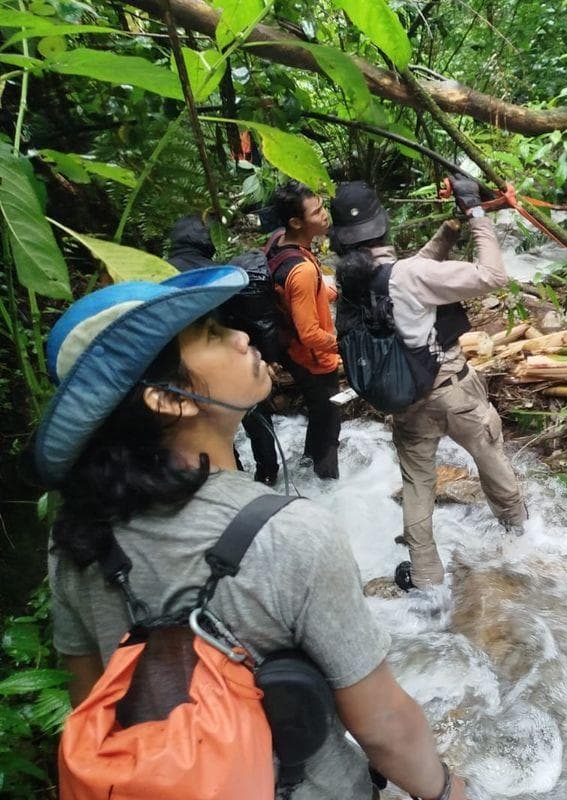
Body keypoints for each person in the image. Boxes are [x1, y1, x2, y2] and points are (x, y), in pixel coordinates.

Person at [35, 266, 467, 800]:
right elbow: (382, 725)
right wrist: (448, 790)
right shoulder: (291, 533)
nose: (242, 337)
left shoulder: (75, 539)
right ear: (167, 398)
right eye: (213, 336)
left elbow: (92, 704)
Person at [330, 178, 527, 590]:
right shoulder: (409, 275)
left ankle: (425, 576)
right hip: (454, 391)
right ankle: (522, 538)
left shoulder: (347, 284)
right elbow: (493, 275)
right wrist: (475, 214)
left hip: (405, 403)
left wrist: (450, 229)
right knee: (489, 455)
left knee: (418, 484)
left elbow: (408, 274)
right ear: (382, 226)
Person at [167, 213, 279, 486]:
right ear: (205, 242)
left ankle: (233, 475)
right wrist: (267, 355)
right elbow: (246, 319)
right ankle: (267, 473)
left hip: (182, 374)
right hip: (227, 363)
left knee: (212, 430)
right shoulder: (217, 273)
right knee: (256, 421)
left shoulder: (159, 276)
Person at [266, 181, 342, 480]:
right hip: (312, 358)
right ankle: (326, 481)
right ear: (296, 222)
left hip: (290, 349)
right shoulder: (304, 271)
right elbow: (311, 334)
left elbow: (293, 296)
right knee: (328, 421)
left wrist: (328, 294)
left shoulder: (278, 242)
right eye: (317, 211)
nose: (325, 215)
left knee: (319, 412)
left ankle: (309, 462)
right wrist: (343, 345)